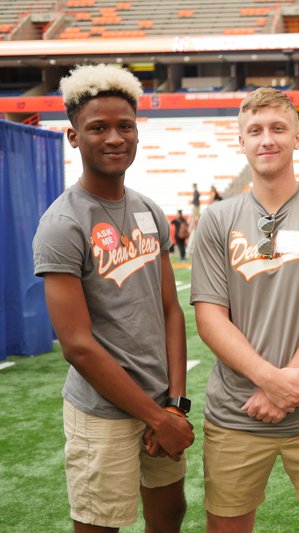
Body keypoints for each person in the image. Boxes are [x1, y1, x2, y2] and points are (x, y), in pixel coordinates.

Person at [190, 87, 299, 533]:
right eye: (256, 130)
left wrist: (288, 387)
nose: (267, 139)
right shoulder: (217, 218)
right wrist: (269, 381)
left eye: (278, 128)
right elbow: (209, 317)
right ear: (241, 141)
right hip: (236, 413)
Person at [32, 64, 194, 532]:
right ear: (73, 137)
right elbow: (77, 344)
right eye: (98, 127)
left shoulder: (148, 210)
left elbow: (170, 310)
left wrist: (175, 405)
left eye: (125, 126)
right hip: (103, 411)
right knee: (100, 526)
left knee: (170, 513)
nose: (115, 138)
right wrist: (156, 418)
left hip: (162, 404)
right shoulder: (62, 224)